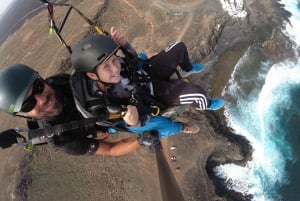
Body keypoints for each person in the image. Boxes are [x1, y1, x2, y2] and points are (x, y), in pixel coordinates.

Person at [69, 27, 223, 138]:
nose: (115, 68)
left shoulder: (111, 68)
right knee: (199, 95)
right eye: (106, 67)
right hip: (153, 95)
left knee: (178, 47)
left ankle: (187, 67)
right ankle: (206, 104)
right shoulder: (108, 103)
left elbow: (133, 61)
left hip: (146, 73)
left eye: (114, 60)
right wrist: (134, 122)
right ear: (92, 75)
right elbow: (141, 121)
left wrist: (125, 45)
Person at [0, 64, 160, 156]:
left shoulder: (59, 82)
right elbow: (111, 149)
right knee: (164, 126)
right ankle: (183, 127)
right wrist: (141, 140)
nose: (42, 99)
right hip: (111, 120)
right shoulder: (63, 140)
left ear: (43, 79)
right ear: (24, 115)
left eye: (39, 87)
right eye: (29, 104)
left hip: (113, 99)